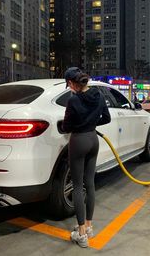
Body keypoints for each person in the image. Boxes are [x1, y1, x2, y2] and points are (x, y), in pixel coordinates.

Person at [62, 67, 111, 248]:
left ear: (72, 82)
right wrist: (91, 122)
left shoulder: (73, 100)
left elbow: (67, 126)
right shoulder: (97, 94)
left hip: (79, 141)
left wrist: (79, 123)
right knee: (90, 183)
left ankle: (81, 234)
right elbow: (106, 118)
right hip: (93, 139)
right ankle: (89, 225)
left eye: (68, 84)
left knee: (77, 185)